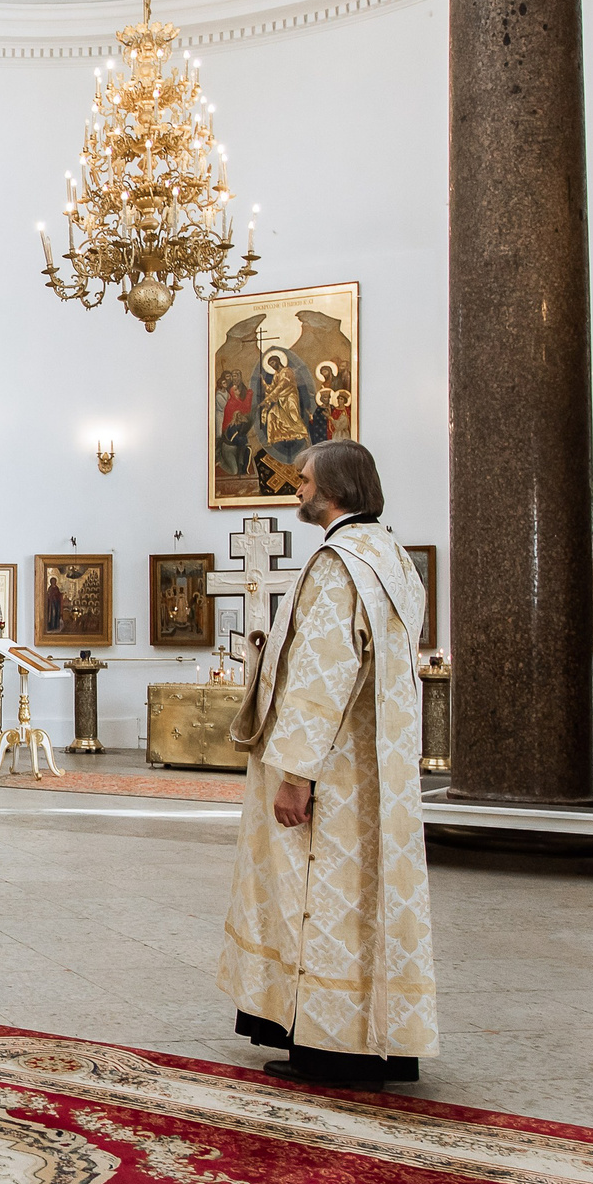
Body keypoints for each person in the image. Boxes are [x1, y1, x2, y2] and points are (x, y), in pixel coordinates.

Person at [219, 438, 436, 1091]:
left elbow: (322, 676)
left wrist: (297, 774)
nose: (298, 489)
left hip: (333, 775)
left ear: (335, 488)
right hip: (377, 771)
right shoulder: (390, 558)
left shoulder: (338, 565)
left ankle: (327, 1044)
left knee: (320, 898)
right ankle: (376, 1038)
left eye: (306, 480)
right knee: (365, 901)